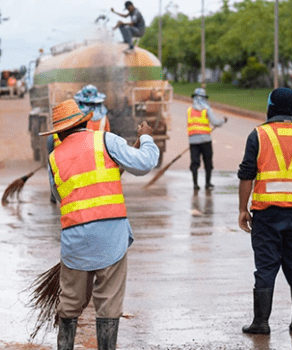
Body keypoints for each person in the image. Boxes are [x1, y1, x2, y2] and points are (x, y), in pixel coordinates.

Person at [40, 100, 159, 350]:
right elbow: (143, 163)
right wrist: (146, 138)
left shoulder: (54, 158)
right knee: (108, 305)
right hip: (110, 238)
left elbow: (63, 196)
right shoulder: (105, 140)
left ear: (59, 132)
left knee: (70, 304)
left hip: (75, 241)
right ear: (84, 121)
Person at [237, 87, 292, 335]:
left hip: (266, 214)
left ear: (270, 106)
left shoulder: (258, 135)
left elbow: (246, 175)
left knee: (266, 267)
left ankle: (261, 323)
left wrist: (243, 209)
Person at [187, 87, 227, 191]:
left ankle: (195, 184)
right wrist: (223, 120)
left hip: (193, 141)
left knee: (194, 163)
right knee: (208, 162)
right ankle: (208, 183)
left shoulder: (189, 111)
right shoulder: (207, 110)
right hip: (205, 141)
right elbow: (215, 123)